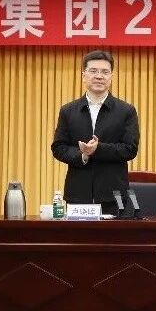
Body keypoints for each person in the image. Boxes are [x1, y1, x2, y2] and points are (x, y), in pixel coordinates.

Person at [50, 50, 140, 215]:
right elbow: (59, 148)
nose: (99, 76)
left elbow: (130, 149)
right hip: (77, 194)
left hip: (114, 196)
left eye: (105, 72)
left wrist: (98, 149)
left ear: (111, 76)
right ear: (83, 75)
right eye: (93, 71)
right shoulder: (68, 111)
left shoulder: (126, 111)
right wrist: (83, 155)